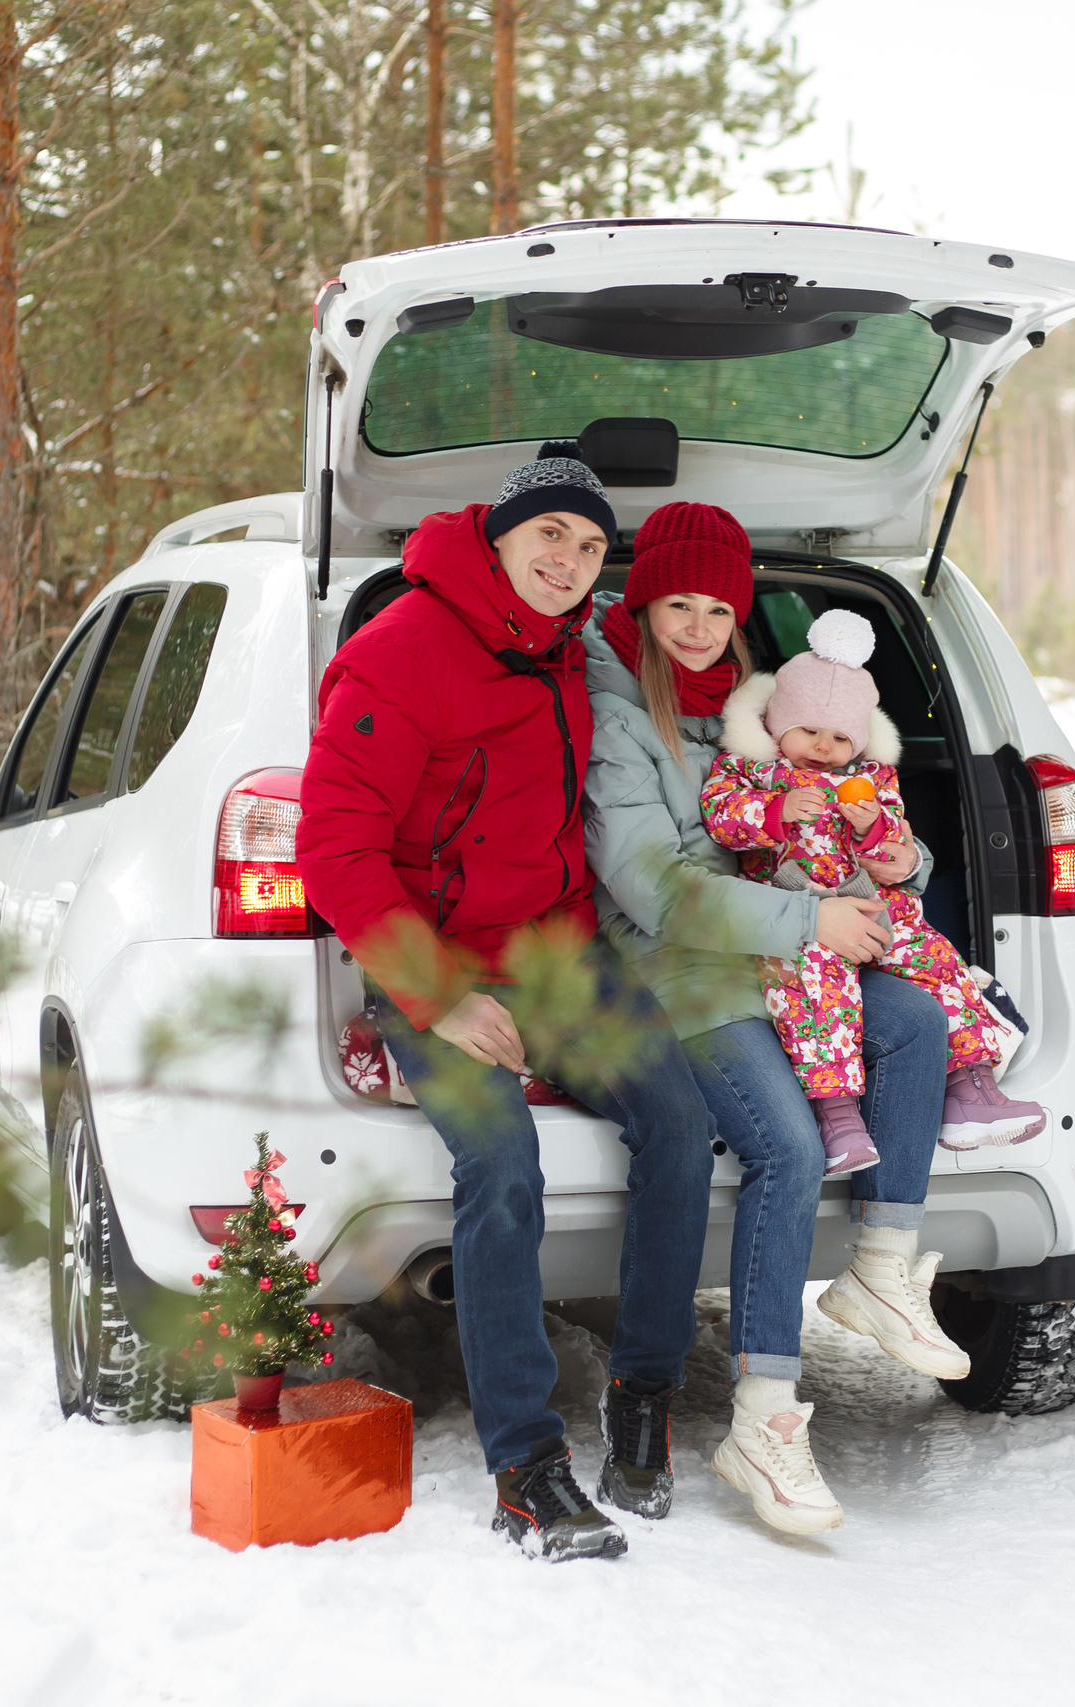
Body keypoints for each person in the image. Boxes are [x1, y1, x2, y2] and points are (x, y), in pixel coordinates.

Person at [297, 456, 712, 1563]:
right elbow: (332, 849)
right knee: (503, 1161)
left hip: (560, 956)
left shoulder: (571, 647)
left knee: (676, 1123)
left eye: (588, 548)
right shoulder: (399, 654)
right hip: (436, 970)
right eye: (551, 538)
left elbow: (699, 670)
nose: (569, 562)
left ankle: (641, 1391)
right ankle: (525, 1463)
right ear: (498, 539)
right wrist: (437, 998)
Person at [579, 500, 971, 1538]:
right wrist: (811, 918)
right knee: (788, 1152)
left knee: (919, 1024)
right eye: (678, 604)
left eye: (719, 607)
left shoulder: (763, 703)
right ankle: (762, 1418)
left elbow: (862, 814)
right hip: (689, 966)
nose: (699, 627)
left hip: (787, 949)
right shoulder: (617, 718)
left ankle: (881, 1267)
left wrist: (908, 865)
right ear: (644, 601)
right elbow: (652, 889)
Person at [704, 609, 1048, 1173]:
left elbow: (896, 836)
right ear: (775, 722)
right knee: (816, 995)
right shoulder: (748, 770)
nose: (823, 746)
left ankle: (970, 1092)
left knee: (940, 963)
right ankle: (838, 1119)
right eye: (808, 730)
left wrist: (877, 832)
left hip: (875, 907)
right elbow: (722, 819)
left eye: (840, 737)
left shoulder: (873, 778)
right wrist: (774, 811)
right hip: (801, 914)